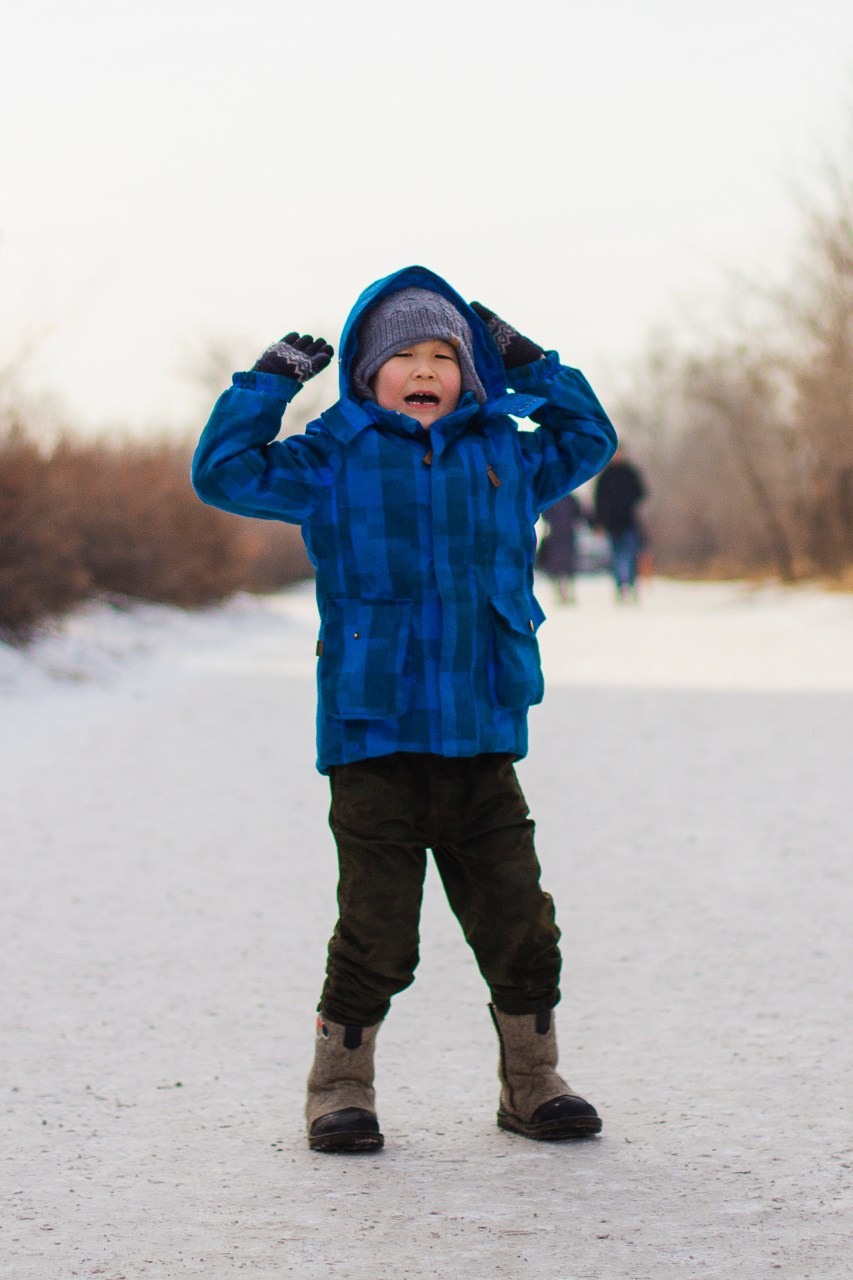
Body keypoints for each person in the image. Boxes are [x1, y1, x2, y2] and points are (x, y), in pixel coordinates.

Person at [192, 266, 617, 1154]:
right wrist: (266, 384)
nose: (426, 369)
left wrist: (534, 365)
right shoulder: (331, 459)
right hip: (372, 735)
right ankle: (339, 1086)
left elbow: (591, 436)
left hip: (479, 730)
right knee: (378, 931)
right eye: (405, 356)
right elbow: (224, 474)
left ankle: (532, 1081)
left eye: (445, 355)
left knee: (519, 921)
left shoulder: (506, 451)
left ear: (470, 372)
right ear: (363, 371)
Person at [593, 446, 647, 601]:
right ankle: (619, 588)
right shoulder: (605, 476)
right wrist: (599, 523)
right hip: (612, 525)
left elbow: (642, 493)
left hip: (629, 522)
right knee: (616, 557)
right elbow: (599, 502)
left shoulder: (630, 473)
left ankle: (632, 586)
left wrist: (629, 503)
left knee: (630, 556)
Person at [536, 492, 587, 604]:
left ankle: (560, 594)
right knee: (567, 566)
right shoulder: (570, 498)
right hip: (567, 535)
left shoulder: (550, 498)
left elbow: (545, 515)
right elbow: (578, 515)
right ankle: (567, 593)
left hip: (555, 535)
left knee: (556, 566)